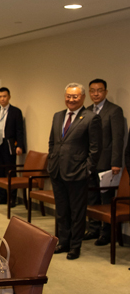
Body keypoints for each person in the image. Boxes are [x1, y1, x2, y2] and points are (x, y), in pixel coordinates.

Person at [48, 83, 102, 260]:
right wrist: (51, 162)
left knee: (77, 212)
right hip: (57, 171)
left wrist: (86, 170)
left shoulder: (90, 118)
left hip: (78, 173)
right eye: (68, 96)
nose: (71, 99)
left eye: (75, 96)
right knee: (62, 210)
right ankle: (63, 242)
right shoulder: (58, 116)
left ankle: (75, 246)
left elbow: (95, 149)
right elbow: (53, 143)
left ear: (83, 98)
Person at [83, 79, 124, 246]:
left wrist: (116, 163)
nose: (96, 94)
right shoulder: (85, 111)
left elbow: (117, 138)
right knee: (91, 197)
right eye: (92, 91)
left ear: (105, 92)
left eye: (99, 90)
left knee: (106, 198)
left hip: (107, 164)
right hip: (90, 163)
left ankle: (106, 233)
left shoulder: (114, 111)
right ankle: (93, 229)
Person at [0, 87, 25, 207]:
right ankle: (2, 196)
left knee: (9, 171)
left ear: (9, 97)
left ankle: (12, 198)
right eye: (0, 96)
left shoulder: (16, 111)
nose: (2, 99)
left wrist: (19, 145)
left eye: (4, 96)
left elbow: (19, 130)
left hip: (9, 145)